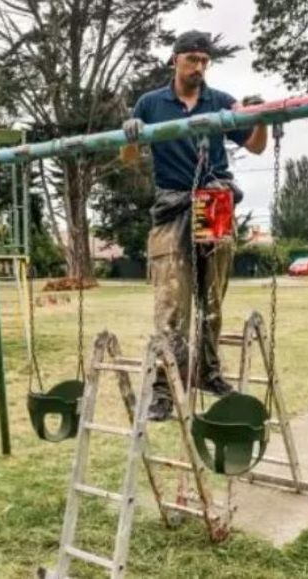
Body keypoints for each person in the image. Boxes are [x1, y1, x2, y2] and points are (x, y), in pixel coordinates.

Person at [122, 30, 268, 421]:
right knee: (172, 302)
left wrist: (262, 118)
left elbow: (255, 145)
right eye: (192, 60)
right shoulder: (151, 103)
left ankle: (208, 372)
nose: (199, 68)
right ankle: (164, 390)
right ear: (175, 60)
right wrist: (130, 134)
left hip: (214, 200)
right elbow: (130, 157)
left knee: (212, 299)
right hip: (172, 204)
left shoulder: (219, 102)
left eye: (205, 61)